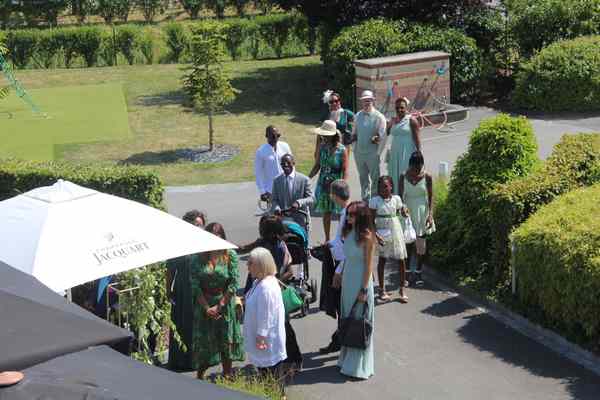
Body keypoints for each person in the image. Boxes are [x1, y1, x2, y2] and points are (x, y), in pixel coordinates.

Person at [190, 223, 244, 379]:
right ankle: (199, 376)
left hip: (224, 304)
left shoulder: (230, 255)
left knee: (225, 342)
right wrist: (207, 308)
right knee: (205, 342)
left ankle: (227, 375)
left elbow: (233, 283)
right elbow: (195, 285)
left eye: (218, 238)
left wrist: (220, 306)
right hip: (204, 305)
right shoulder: (197, 257)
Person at [337, 201, 375, 380]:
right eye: (348, 214)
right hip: (348, 281)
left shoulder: (367, 237)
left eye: (353, 215)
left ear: (361, 217)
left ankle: (358, 366)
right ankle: (345, 359)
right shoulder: (349, 232)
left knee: (360, 321)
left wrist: (364, 290)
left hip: (361, 281)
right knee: (348, 319)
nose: (349, 217)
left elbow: (369, 267)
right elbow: (347, 258)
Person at [166, 209, 207, 372]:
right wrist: (168, 291)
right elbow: (170, 270)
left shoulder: (206, 243)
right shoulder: (180, 243)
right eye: (195, 224)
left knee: (199, 326)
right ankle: (181, 360)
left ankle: (199, 360)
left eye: (201, 225)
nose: (199, 227)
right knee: (183, 325)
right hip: (183, 291)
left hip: (202, 291)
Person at [244, 247, 287, 397]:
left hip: (267, 342)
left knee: (271, 379)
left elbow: (266, 315)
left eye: (250, 263)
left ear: (261, 265)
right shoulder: (260, 282)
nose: (247, 265)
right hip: (265, 341)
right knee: (270, 380)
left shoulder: (265, 287)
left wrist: (261, 337)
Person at [319, 179, 350, 354]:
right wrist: (329, 244)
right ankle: (339, 339)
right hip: (338, 262)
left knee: (341, 304)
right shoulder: (344, 212)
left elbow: (347, 247)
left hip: (342, 266)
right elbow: (339, 240)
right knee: (339, 304)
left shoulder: (348, 214)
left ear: (334, 195)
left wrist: (339, 271)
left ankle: (341, 340)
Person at [369, 176, 409, 303]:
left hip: (395, 230)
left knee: (401, 258)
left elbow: (402, 211)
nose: (383, 189)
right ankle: (381, 289)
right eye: (381, 187)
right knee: (383, 259)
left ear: (391, 186)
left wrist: (405, 212)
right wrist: (376, 235)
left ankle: (402, 288)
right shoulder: (375, 201)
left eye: (386, 186)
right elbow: (370, 220)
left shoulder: (396, 199)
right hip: (382, 231)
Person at [399, 151, 435, 286]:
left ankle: (419, 272)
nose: (415, 171)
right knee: (408, 243)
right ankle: (407, 272)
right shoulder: (403, 176)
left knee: (421, 245)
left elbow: (431, 196)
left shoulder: (428, 177)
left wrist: (430, 214)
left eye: (418, 168)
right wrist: (402, 207)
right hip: (408, 212)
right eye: (413, 168)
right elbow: (400, 196)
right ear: (410, 165)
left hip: (422, 212)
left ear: (422, 165)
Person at [309, 120, 349, 242]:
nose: (323, 137)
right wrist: (307, 178)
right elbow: (317, 166)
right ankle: (327, 239)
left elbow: (345, 169)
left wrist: (343, 184)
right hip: (323, 183)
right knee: (326, 212)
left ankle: (341, 237)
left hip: (336, 183)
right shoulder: (322, 147)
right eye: (323, 135)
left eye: (325, 135)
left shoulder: (342, 150)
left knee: (340, 213)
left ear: (332, 135)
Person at [352, 90, 386, 201]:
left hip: (373, 153)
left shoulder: (379, 117)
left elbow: (383, 136)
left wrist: (377, 139)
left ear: (373, 101)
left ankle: (375, 201)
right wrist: (354, 148)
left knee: (375, 178)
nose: (366, 103)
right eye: (364, 101)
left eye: (368, 100)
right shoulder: (358, 115)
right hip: (359, 153)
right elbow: (354, 133)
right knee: (363, 179)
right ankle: (365, 201)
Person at [271, 153, 314, 230]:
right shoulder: (277, 180)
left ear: (293, 163)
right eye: (283, 164)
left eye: (288, 163)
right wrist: (276, 208)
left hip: (301, 220)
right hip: (283, 221)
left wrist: (299, 203)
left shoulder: (304, 180)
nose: (286, 165)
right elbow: (274, 199)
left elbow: (312, 199)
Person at [387, 97, 421, 194]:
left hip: (407, 152)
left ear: (406, 108)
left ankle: (406, 197)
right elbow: (387, 132)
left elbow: (417, 140)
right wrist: (390, 123)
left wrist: (419, 157)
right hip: (394, 152)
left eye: (402, 107)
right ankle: (396, 197)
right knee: (394, 174)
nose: (399, 110)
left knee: (405, 173)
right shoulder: (393, 120)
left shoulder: (412, 120)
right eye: (397, 108)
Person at [255, 125, 293, 205]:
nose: (276, 138)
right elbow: (258, 173)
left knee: (288, 213)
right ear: (266, 136)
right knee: (274, 215)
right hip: (271, 190)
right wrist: (262, 191)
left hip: (286, 186)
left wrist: (293, 182)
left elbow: (292, 165)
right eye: (273, 136)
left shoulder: (285, 146)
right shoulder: (261, 151)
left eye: (278, 135)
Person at [315, 91, 355, 160]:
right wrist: (317, 149)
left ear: (339, 101)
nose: (334, 103)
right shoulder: (326, 115)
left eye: (336, 101)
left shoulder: (346, 113)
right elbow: (320, 134)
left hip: (343, 146)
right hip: (328, 146)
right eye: (331, 102)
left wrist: (353, 137)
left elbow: (358, 121)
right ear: (328, 103)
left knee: (343, 167)